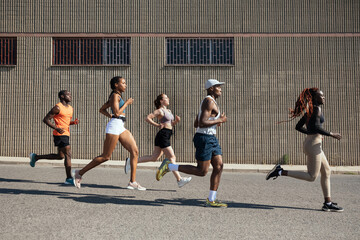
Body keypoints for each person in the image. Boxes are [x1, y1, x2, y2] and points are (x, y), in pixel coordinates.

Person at [266, 88, 343, 212]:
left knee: (327, 171)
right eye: (321, 96)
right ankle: (281, 171)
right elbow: (317, 126)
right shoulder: (316, 109)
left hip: (312, 142)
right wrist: (331, 134)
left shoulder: (310, 110)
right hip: (313, 145)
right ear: (314, 98)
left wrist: (313, 133)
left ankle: (328, 203)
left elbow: (298, 127)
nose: (324, 98)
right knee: (311, 176)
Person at [156, 79, 228, 207]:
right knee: (202, 171)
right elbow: (201, 123)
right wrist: (219, 120)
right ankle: (169, 166)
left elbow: (197, 123)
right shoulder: (208, 101)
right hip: (204, 138)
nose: (220, 89)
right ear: (211, 88)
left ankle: (211, 199)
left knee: (219, 166)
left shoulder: (210, 102)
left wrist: (216, 120)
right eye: (218, 86)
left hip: (211, 138)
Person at [72, 76, 145, 190]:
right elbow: (116, 113)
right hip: (114, 126)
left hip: (120, 125)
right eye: (123, 83)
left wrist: (109, 114)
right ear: (116, 85)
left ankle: (132, 182)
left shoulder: (116, 96)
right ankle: (79, 173)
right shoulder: (115, 96)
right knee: (106, 156)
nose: (125, 85)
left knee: (134, 151)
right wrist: (126, 103)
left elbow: (102, 109)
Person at [137, 93, 192, 188]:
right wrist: (157, 125)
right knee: (171, 157)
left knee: (154, 157)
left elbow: (170, 124)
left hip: (166, 134)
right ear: (161, 101)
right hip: (163, 135)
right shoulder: (160, 111)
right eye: (166, 98)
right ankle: (179, 180)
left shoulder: (168, 110)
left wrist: (176, 122)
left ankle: (132, 161)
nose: (168, 99)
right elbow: (148, 118)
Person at [29, 90, 79, 185]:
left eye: (70, 94)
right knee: (68, 153)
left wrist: (73, 123)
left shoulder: (70, 108)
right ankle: (69, 179)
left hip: (66, 134)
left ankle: (36, 157)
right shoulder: (57, 107)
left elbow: (65, 122)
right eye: (68, 94)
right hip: (60, 135)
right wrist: (56, 128)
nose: (70, 96)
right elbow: (46, 119)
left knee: (60, 156)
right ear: (62, 96)